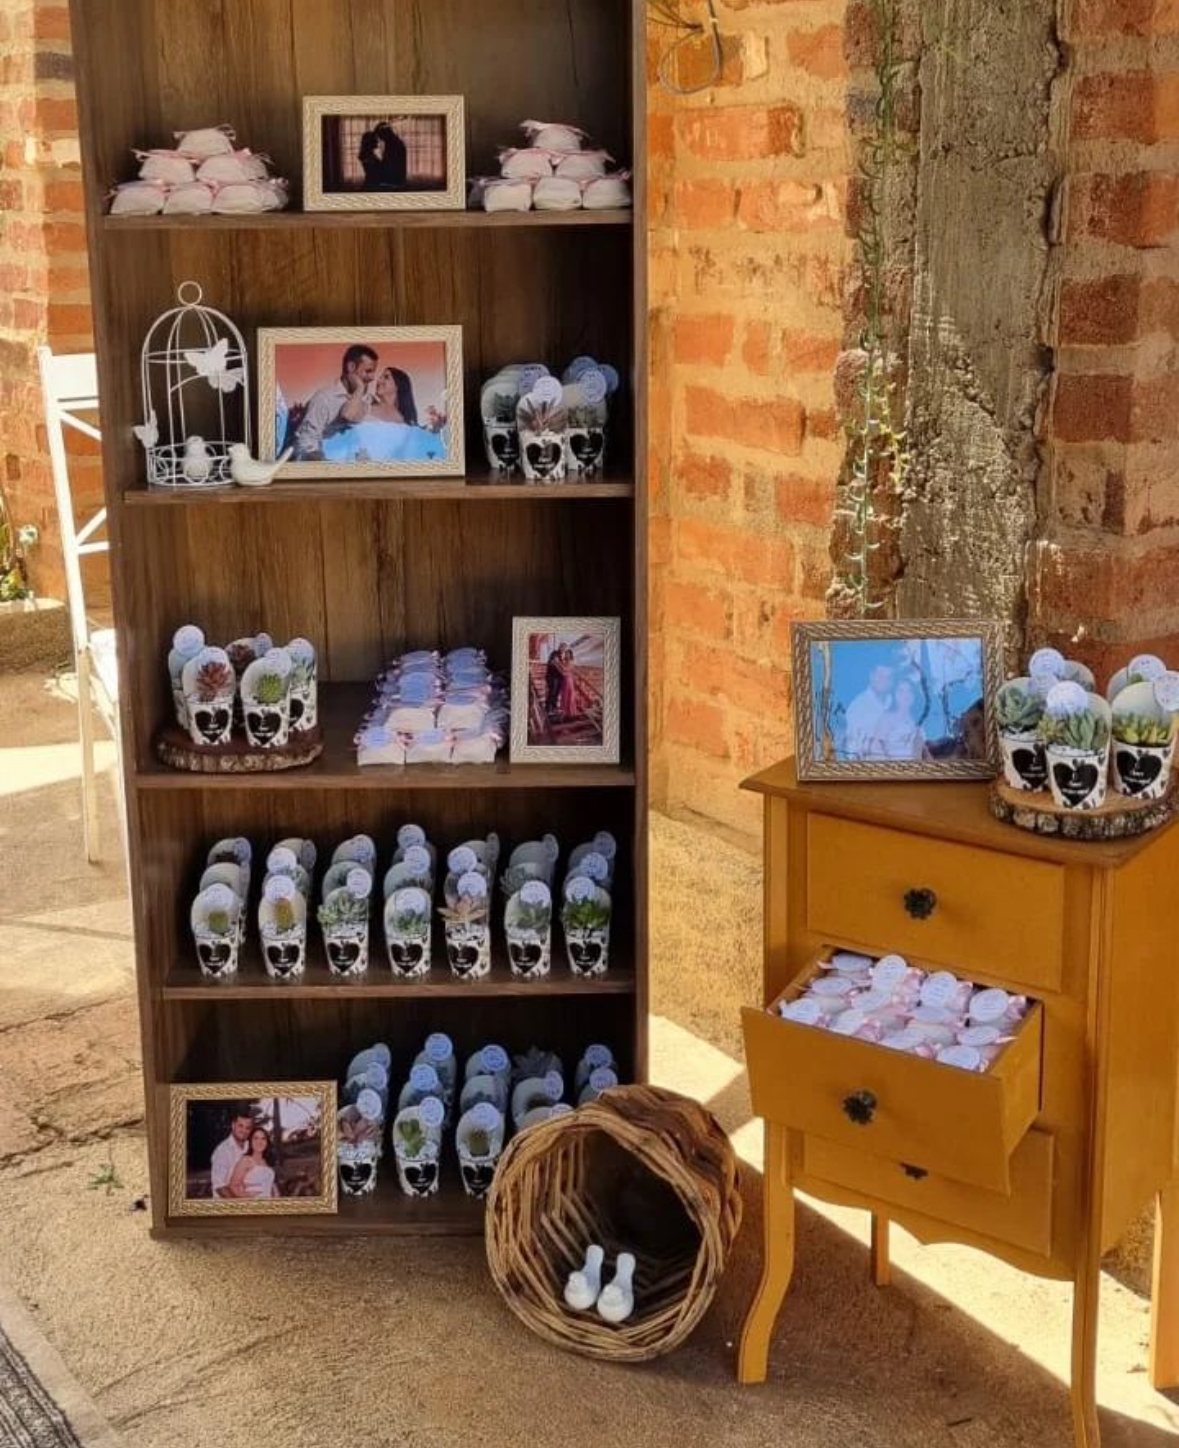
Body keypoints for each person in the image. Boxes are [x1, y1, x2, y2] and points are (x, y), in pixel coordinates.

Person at [321, 365, 447, 464]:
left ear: (397, 386)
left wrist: (436, 429)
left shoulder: (406, 422)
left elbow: (417, 448)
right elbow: (347, 415)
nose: (379, 380)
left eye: (386, 377)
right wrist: (360, 387)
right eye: (380, 377)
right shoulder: (367, 407)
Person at [293, 344, 378, 461]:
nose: (372, 377)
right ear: (351, 367)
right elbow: (305, 443)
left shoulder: (366, 398)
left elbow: (358, 424)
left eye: (373, 372)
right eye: (368, 371)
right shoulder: (324, 399)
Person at [866, 677, 927, 761]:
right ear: (894, 695)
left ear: (914, 695)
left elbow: (922, 753)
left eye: (909, 691)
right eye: (900, 691)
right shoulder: (886, 719)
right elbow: (875, 749)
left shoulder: (918, 723)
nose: (905, 695)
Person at [843, 663, 894, 760]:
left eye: (888, 677)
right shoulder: (857, 706)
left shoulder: (896, 702)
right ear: (871, 676)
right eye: (880, 675)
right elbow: (851, 747)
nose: (884, 680)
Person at [209, 1108, 253, 1199]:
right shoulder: (222, 1151)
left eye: (247, 1128)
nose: (244, 1131)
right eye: (240, 1126)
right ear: (233, 1125)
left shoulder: (251, 1147)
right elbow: (220, 1187)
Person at [227, 1126, 280, 1200]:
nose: (259, 1142)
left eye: (263, 1138)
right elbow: (233, 1186)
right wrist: (246, 1197)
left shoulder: (267, 1161)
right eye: (255, 1138)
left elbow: (271, 1184)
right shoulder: (246, 1160)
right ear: (250, 1142)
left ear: (267, 1142)